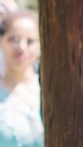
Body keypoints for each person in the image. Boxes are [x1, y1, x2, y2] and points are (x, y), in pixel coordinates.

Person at [0, 9, 43, 147]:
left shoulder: (52, 91)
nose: (22, 47)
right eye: (14, 39)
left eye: (30, 41)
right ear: (1, 41)